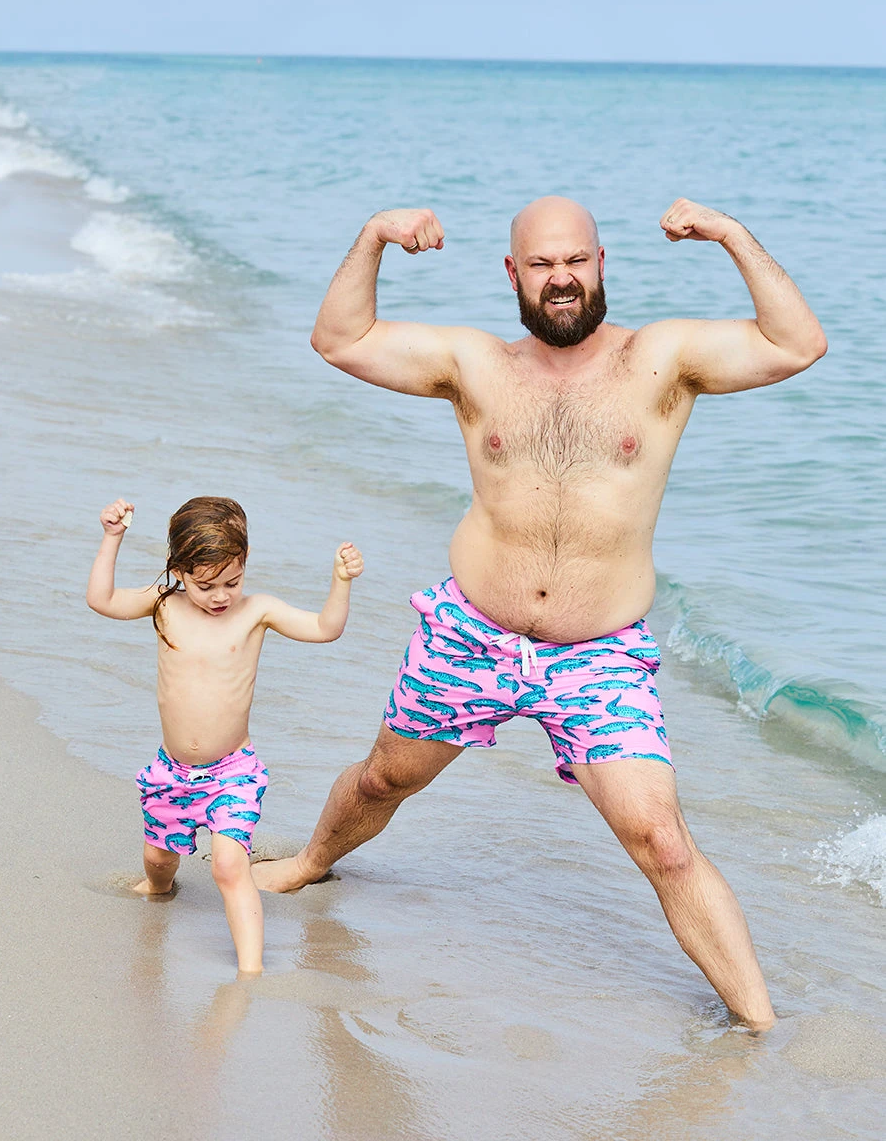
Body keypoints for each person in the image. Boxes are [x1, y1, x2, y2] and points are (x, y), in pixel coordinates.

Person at [252, 196, 826, 1028]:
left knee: (662, 842)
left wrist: (730, 233)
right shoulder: (478, 365)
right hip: (471, 635)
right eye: (543, 265)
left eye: (577, 262)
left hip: (596, 656)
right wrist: (377, 233)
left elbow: (796, 343)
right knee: (384, 778)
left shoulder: (659, 360)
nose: (562, 279)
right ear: (514, 274)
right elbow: (340, 339)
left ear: (601, 264)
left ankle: (759, 1026)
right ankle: (312, 860)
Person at [87, 495, 363, 972]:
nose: (220, 596)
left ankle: (251, 971)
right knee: (157, 861)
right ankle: (158, 889)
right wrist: (113, 538)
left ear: (246, 562)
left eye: (231, 582)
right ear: (178, 571)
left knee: (229, 866)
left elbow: (325, 629)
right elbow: (102, 600)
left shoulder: (257, 611)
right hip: (171, 772)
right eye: (205, 585)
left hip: (232, 772)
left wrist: (340, 582)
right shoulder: (163, 605)